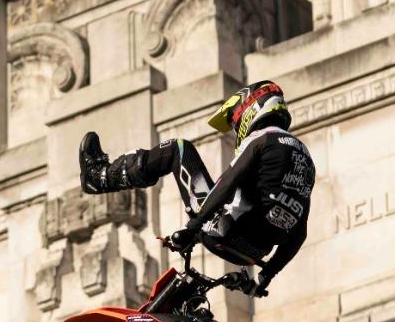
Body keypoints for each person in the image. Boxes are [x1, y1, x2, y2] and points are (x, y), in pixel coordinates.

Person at [78, 80, 313, 296]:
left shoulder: (263, 139)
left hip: (223, 231)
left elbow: (227, 184)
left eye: (234, 121)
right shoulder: (305, 160)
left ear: (251, 108)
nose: (235, 127)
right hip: (253, 254)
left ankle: (98, 177)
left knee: (176, 149)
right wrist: (264, 276)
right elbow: (299, 232)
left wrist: (193, 227)